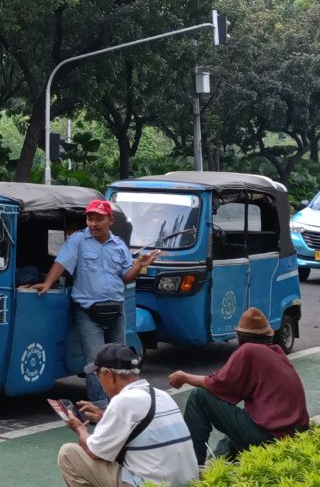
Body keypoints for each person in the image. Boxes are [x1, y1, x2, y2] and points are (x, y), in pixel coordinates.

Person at [37, 198, 159, 405]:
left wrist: (139, 265)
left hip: (116, 311)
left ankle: (120, 404)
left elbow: (126, 277)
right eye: (90, 219)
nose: (93, 223)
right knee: (96, 363)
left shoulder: (119, 245)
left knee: (119, 360)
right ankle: (101, 406)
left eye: (98, 219)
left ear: (110, 220)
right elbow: (62, 261)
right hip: (88, 312)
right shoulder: (78, 240)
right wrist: (48, 283)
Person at [168, 307, 310, 464]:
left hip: (271, 438)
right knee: (241, 416)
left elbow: (217, 383)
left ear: (240, 337)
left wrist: (184, 377)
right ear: (267, 335)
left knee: (199, 397)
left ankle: (194, 466)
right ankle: (216, 463)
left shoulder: (249, 350)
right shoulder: (277, 352)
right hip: (293, 437)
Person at [57, 343, 197, 487]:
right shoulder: (162, 395)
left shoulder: (123, 401)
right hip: (187, 482)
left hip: (153, 484)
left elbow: (94, 452)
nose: (100, 382)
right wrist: (105, 417)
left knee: (68, 453)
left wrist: (79, 428)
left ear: (109, 375)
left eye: (98, 375)